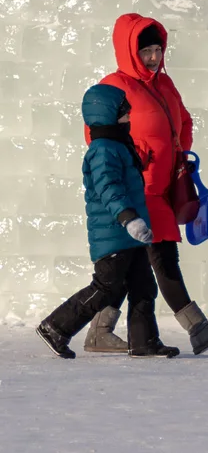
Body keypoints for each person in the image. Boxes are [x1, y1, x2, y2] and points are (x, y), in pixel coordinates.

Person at [82, 13, 208, 356]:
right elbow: (97, 134)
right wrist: (135, 155)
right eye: (146, 52)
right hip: (139, 188)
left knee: (134, 264)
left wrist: (180, 153)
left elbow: (183, 120)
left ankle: (100, 330)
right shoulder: (113, 86)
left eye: (158, 50)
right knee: (164, 253)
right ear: (129, 51)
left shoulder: (165, 85)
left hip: (165, 186)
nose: (154, 58)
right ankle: (196, 327)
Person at [36, 84, 179, 359]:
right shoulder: (102, 149)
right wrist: (128, 218)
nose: (129, 116)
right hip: (114, 231)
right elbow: (109, 187)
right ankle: (55, 327)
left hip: (130, 233)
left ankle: (143, 342)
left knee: (143, 286)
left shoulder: (119, 146)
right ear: (107, 113)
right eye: (123, 112)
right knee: (106, 287)